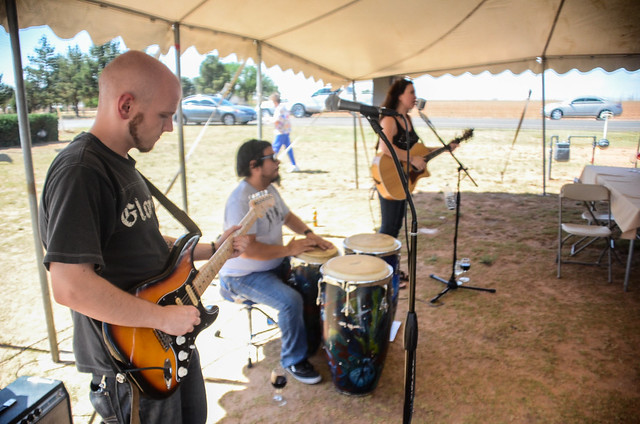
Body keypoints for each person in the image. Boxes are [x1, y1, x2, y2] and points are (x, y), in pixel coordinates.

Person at [39, 50, 248, 424]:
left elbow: (145, 241)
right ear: (126, 105)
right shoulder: (81, 171)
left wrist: (214, 249)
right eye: (165, 115)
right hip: (131, 365)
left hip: (165, 343)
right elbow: (70, 286)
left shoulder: (121, 164)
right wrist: (161, 319)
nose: (169, 127)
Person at [218, 139, 334, 384]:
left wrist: (309, 234)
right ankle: (292, 360)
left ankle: (312, 340)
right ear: (255, 165)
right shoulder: (240, 200)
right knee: (290, 301)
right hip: (242, 277)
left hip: (272, 266)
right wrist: (288, 249)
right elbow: (248, 251)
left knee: (313, 281)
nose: (278, 161)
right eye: (271, 157)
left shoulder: (268, 190)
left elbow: (287, 216)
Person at [375, 78, 458, 285]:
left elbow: (416, 151)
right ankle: (376, 269)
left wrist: (444, 149)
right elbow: (385, 148)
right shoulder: (389, 119)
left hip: (405, 179)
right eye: (411, 92)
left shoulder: (408, 120)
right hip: (390, 177)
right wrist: (411, 159)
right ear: (399, 95)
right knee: (388, 227)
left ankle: (390, 271)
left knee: (395, 227)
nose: (415, 97)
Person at [270, 93, 299, 172]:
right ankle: (294, 165)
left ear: (274, 102)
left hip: (280, 132)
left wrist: (268, 120)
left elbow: (277, 121)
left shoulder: (279, 109)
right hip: (286, 131)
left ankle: (269, 166)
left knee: (274, 149)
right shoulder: (284, 108)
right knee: (289, 149)